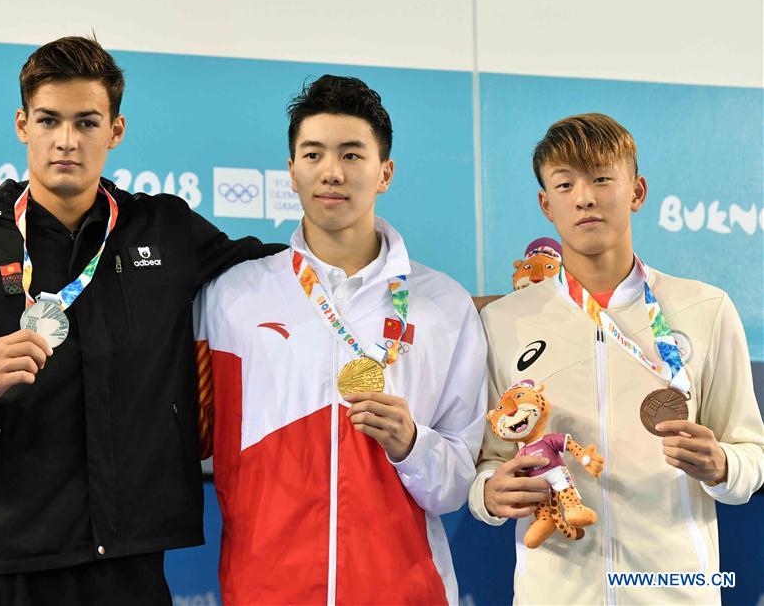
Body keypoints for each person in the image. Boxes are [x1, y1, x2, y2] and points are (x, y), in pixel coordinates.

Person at [0, 36, 280, 605]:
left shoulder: (163, 232)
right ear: (22, 124)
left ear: (116, 131)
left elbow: (282, 271)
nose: (67, 140)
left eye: (87, 122)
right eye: (49, 120)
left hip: (126, 570)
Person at [194, 75, 488, 604]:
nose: (332, 172)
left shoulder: (444, 306)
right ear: (292, 170)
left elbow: (455, 488)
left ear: (385, 173)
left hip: (405, 592)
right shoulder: (231, 298)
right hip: (264, 590)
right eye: (313, 154)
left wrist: (411, 444)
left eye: (352, 155)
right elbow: (189, 434)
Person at [468, 113, 764, 604]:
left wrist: (722, 466)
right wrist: (488, 496)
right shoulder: (504, 322)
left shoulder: (705, 309)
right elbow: (487, 463)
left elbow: (751, 453)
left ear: (637, 191)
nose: (584, 197)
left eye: (602, 178)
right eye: (565, 184)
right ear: (546, 204)